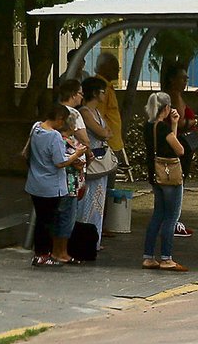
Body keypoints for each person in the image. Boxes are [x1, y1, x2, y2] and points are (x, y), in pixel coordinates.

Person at [26, 104, 87, 266]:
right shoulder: (54, 137)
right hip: (51, 185)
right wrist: (77, 155)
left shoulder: (36, 128)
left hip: (35, 182)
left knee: (41, 219)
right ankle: (43, 254)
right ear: (59, 119)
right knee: (48, 222)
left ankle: (40, 253)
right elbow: (60, 162)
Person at [141, 92, 188, 271]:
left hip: (156, 174)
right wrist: (172, 127)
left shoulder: (149, 126)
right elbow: (179, 149)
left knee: (158, 214)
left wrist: (174, 124)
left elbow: (167, 143)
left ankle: (148, 256)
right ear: (166, 108)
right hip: (170, 176)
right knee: (171, 216)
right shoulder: (162, 128)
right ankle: (166, 257)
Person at [161, 62, 198, 237]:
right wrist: (195, 122)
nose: (186, 80)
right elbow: (178, 121)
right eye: (182, 78)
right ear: (173, 80)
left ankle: (172, 219)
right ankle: (172, 221)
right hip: (177, 144)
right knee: (176, 182)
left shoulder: (175, 96)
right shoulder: (173, 96)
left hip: (179, 144)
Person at [77, 77, 113, 251]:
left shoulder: (97, 112)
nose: (105, 95)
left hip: (100, 160)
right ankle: (85, 238)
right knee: (87, 201)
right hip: (90, 160)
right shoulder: (85, 112)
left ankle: (95, 239)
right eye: (102, 91)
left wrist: (105, 133)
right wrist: (104, 133)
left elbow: (108, 132)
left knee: (98, 200)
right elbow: (101, 132)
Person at [53, 115, 86, 264]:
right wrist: (77, 157)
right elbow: (65, 160)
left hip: (72, 184)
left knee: (64, 218)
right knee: (66, 218)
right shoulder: (62, 141)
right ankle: (60, 252)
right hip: (67, 184)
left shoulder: (70, 141)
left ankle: (60, 251)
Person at [94, 52, 125, 190]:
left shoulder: (108, 87)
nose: (117, 71)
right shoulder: (101, 88)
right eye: (114, 67)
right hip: (107, 146)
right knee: (105, 187)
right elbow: (97, 117)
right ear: (104, 67)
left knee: (109, 187)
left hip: (114, 144)